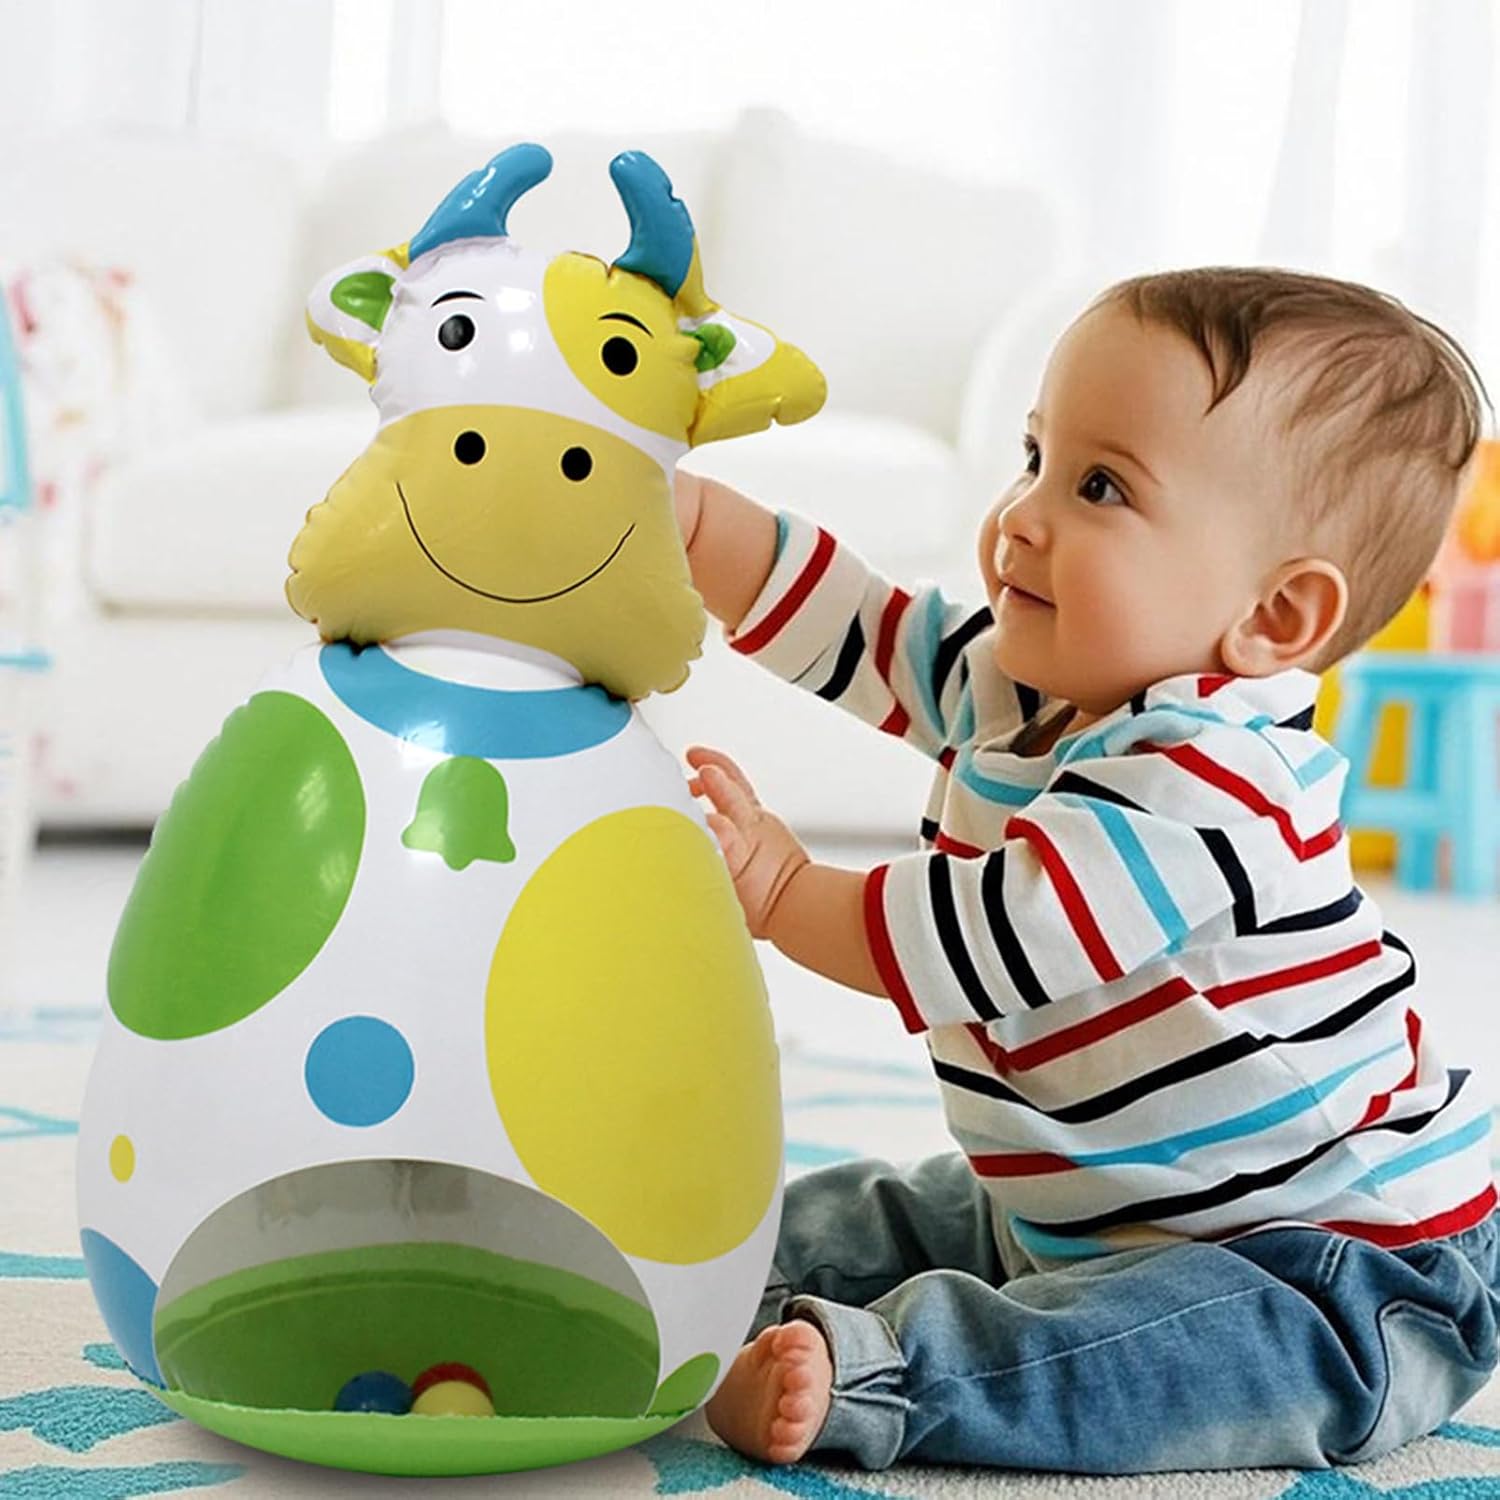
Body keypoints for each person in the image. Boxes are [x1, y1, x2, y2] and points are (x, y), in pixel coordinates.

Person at [674, 268, 1499, 1474]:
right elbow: (863, 625)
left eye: (1099, 486)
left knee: (1128, 1357)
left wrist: (788, 894)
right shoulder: (1036, 684)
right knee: (865, 1216)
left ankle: (885, 1376)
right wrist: (685, 519)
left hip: (1332, 1272)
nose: (1023, 514)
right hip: (1091, 1204)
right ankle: (673, 1269)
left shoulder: (1216, 785)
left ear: (1274, 617)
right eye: (1035, 456)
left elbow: (993, 940)